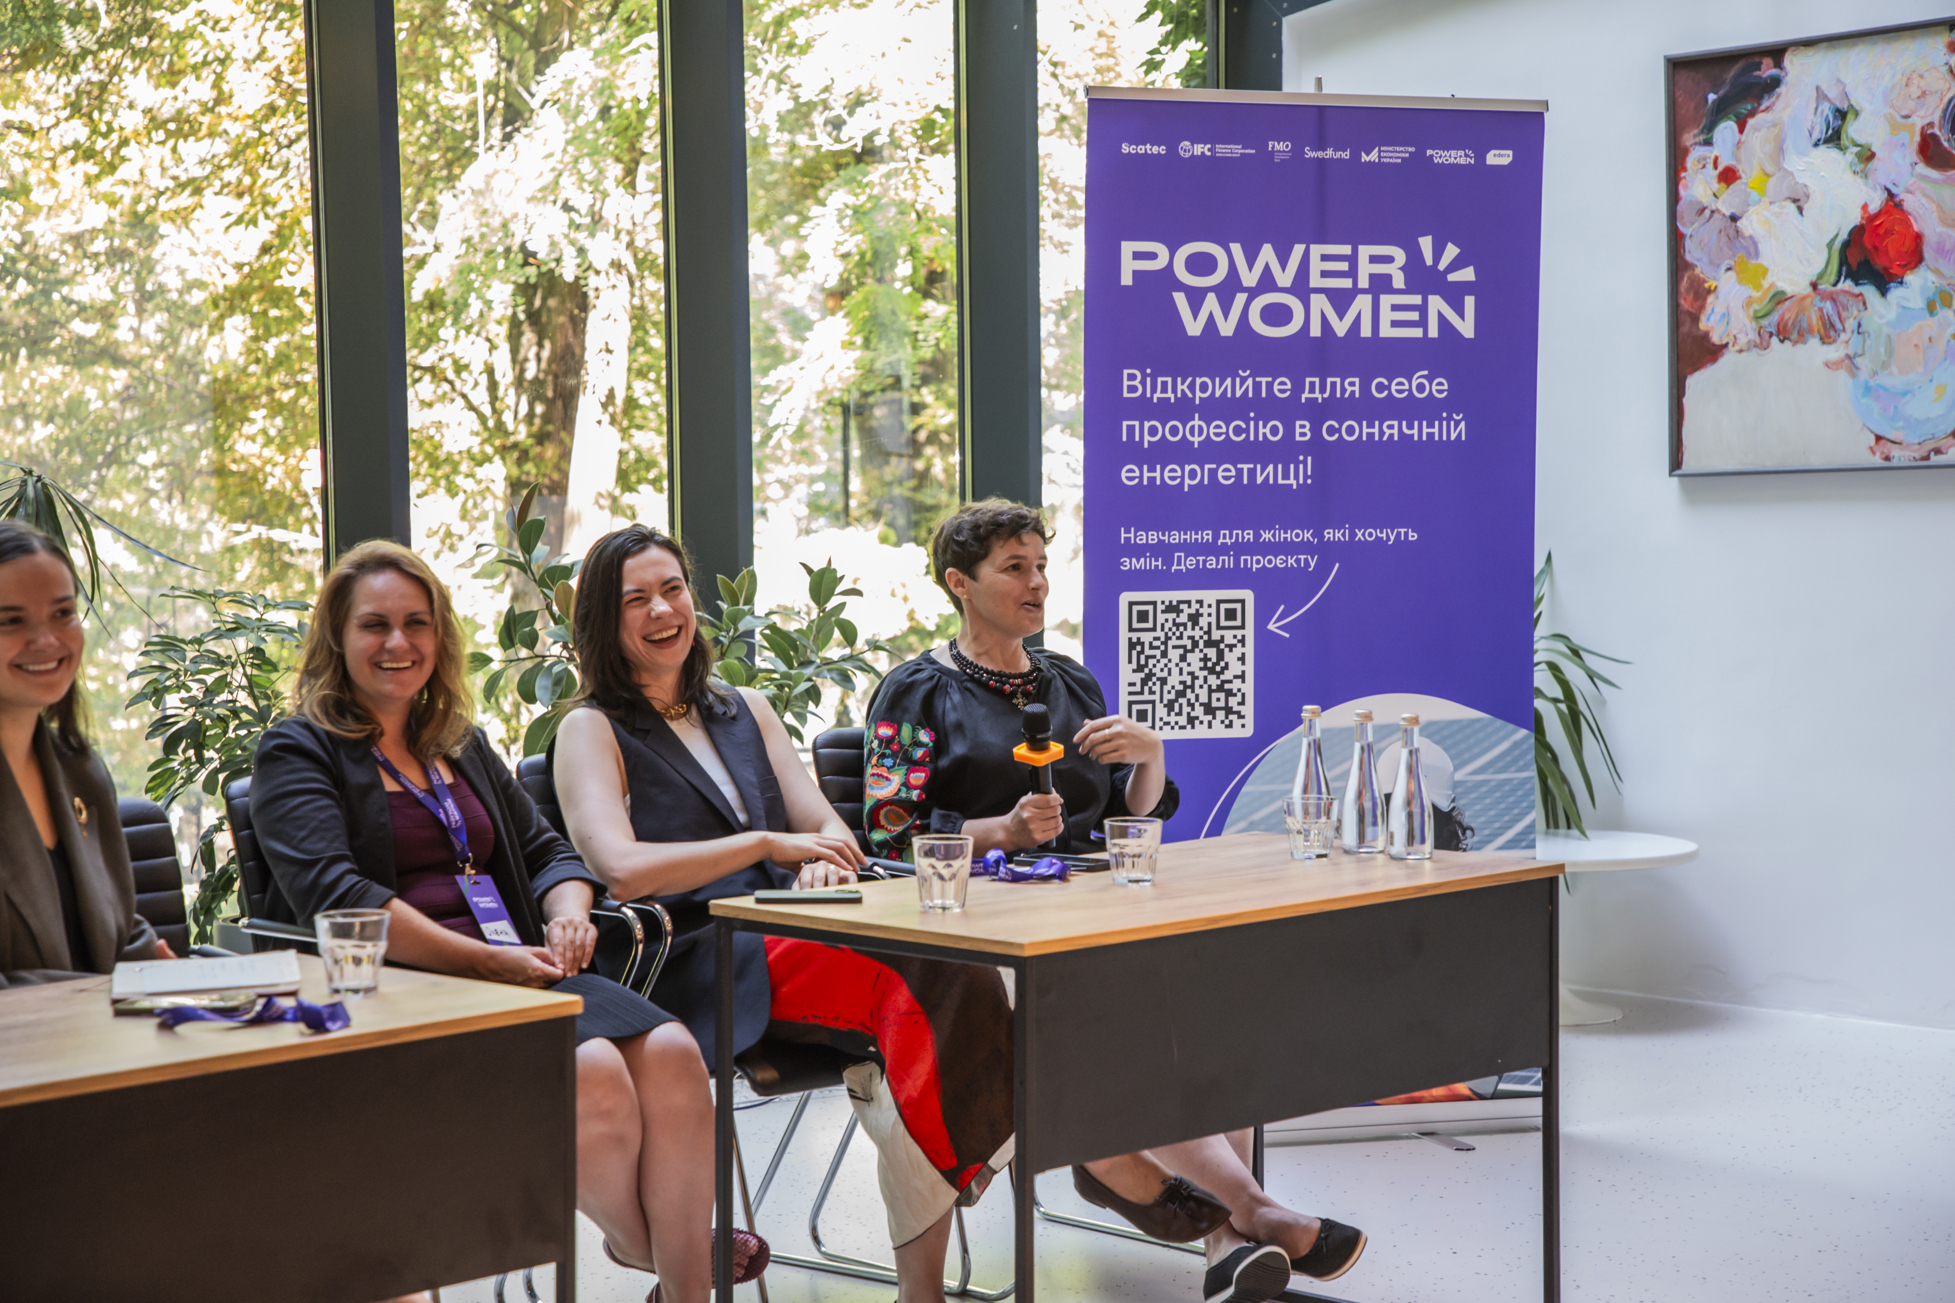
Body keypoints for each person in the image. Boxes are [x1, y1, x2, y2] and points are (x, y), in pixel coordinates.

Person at [549, 524, 1237, 1303]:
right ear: (604, 621)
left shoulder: (744, 706)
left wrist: (813, 859)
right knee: (935, 981)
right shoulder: (589, 726)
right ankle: (1098, 1157)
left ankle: (937, 1280)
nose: (661, 609)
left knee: (939, 1004)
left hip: (793, 926)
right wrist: (775, 840)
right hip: (699, 951)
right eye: (634, 599)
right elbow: (619, 865)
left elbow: (835, 833)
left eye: (672, 588)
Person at [863, 498, 1369, 1298]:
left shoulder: (1071, 679)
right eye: (1014, 568)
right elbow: (887, 839)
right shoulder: (914, 691)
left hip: (1088, 913)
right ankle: (1251, 1215)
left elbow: (1125, 823)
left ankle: (1228, 1247)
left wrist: (1149, 759)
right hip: (977, 937)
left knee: (1204, 1013)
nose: (1036, 583)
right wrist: (998, 829)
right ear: (960, 583)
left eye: (1041, 566)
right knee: (1119, 1026)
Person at [249, 540, 760, 1303]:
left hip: (524, 971)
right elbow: (336, 893)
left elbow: (548, 851)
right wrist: (491, 962)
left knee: (674, 1050)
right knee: (589, 1070)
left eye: (417, 623)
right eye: (374, 625)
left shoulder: (457, 743)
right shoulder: (298, 750)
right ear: (336, 638)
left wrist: (567, 914)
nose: (398, 643)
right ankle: (645, 1246)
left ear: (439, 638)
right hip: (404, 989)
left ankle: (685, 1292)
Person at [0, 521, 173, 987]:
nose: (48, 641)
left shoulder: (81, 770)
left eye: (63, 613)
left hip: (102, 1051)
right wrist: (101, 994)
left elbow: (116, 929)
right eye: (11, 621)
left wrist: (154, 968)